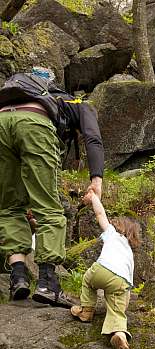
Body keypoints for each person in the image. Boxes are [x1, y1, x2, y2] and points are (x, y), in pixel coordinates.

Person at [0, 67, 104, 307]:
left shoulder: (16, 93)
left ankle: (18, 278)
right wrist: (96, 179)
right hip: (34, 124)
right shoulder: (75, 102)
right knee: (48, 207)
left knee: (8, 206)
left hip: (1, 122)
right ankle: (47, 282)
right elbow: (93, 138)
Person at [71, 191, 140, 349]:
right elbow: (128, 286)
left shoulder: (112, 233)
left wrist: (93, 197)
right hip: (122, 281)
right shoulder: (130, 253)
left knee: (87, 280)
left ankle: (86, 311)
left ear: (119, 227)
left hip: (102, 269)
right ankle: (120, 336)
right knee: (117, 311)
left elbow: (100, 213)